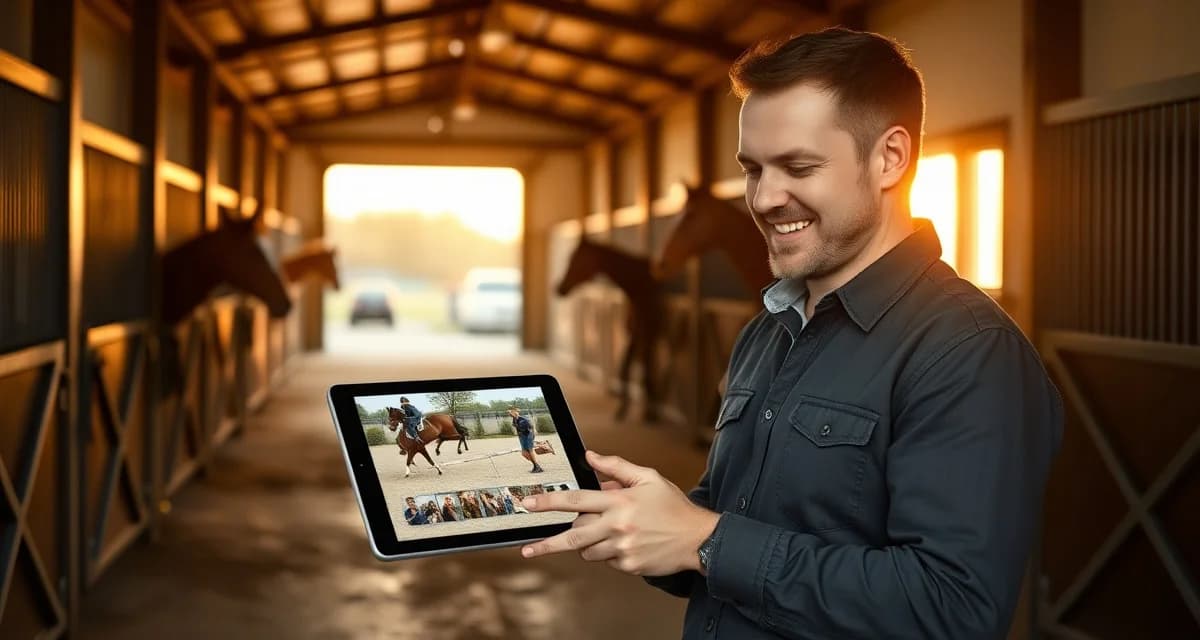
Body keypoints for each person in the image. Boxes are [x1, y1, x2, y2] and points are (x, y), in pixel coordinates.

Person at [517, 27, 1063, 640]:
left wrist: (706, 541)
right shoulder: (768, 334)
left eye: (798, 166)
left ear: (890, 158)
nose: (766, 198)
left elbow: (952, 609)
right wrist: (648, 518)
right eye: (753, 169)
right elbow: (734, 529)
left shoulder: (967, 353)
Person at [508, 407, 544, 473]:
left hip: (528, 435)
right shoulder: (515, 419)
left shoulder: (523, 419)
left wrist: (515, 423)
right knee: (524, 453)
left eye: (511, 412)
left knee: (530, 450)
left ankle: (537, 467)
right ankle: (536, 465)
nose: (509, 414)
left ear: (515, 412)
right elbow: (515, 426)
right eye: (509, 413)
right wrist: (514, 420)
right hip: (522, 436)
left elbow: (525, 428)